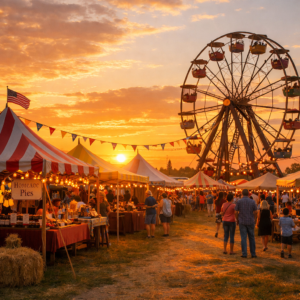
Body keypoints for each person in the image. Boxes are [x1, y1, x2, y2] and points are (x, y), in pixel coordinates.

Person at [235, 189, 258, 258]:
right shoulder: (252, 201)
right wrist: (254, 219)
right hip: (250, 221)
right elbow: (255, 211)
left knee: (243, 238)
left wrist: (237, 219)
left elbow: (236, 211)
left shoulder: (239, 202)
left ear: (242, 194)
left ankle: (244, 253)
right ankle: (253, 254)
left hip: (242, 221)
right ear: (248, 194)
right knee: (251, 238)